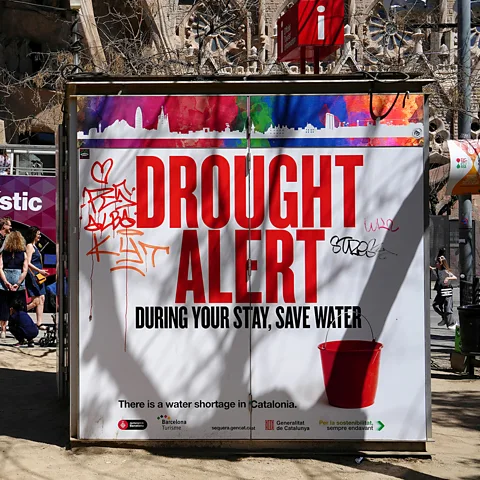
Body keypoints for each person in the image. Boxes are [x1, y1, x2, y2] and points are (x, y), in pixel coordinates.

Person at [0, 230, 28, 338]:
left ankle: (3, 330)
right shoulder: (23, 254)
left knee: (4, 305)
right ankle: (21, 329)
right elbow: (25, 270)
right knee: (20, 306)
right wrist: (18, 282)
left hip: (5, 279)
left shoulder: (4, 253)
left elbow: (0, 268)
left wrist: (6, 282)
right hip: (18, 279)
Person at [25, 226, 49, 329]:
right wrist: (39, 271)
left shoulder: (36, 246)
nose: (39, 236)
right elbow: (28, 262)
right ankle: (17, 312)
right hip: (33, 275)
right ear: (33, 234)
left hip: (39, 275)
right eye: (38, 234)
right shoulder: (29, 246)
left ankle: (39, 322)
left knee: (42, 298)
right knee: (36, 300)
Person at [430, 255, 457, 330]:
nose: (436, 264)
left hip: (447, 291)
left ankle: (452, 323)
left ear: (441, 263)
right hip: (440, 291)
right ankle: (444, 318)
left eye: (437, 263)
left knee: (447, 308)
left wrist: (447, 278)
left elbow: (454, 277)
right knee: (436, 305)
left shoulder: (446, 270)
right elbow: (433, 268)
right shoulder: (437, 270)